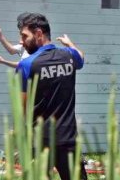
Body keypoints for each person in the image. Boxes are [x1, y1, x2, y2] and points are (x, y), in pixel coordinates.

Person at [15, 13, 88, 180]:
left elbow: (22, 108)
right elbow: (81, 58)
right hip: (67, 139)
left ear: (39, 34)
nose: (21, 41)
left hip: (39, 142)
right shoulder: (69, 55)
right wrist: (70, 43)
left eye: (24, 36)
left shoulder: (26, 65)